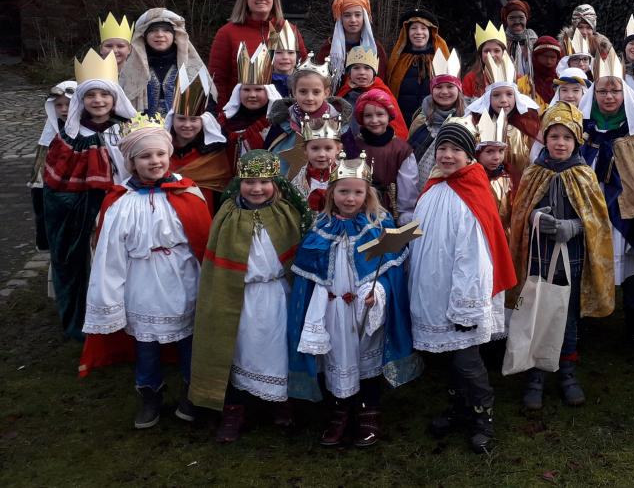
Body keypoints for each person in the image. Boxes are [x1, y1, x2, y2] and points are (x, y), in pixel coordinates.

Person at [83, 116, 212, 428]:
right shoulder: (120, 201)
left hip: (184, 278)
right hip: (142, 280)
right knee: (146, 344)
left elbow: (203, 241)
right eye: (145, 156)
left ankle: (193, 391)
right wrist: (110, 297)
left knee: (190, 339)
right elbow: (109, 256)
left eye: (160, 154)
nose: (154, 161)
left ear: (168, 155)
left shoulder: (189, 192)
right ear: (131, 162)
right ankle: (149, 393)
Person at [287, 151, 422, 447]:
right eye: (343, 192)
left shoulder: (377, 228)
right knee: (335, 358)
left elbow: (390, 274)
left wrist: (378, 293)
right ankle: (339, 412)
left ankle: (368, 412)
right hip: (332, 313)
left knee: (365, 362)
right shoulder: (319, 230)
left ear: (368, 194)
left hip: (365, 311)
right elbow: (310, 277)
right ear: (332, 193)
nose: (350, 198)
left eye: (357, 192)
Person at [408, 117, 516, 454]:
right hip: (435, 291)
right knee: (448, 361)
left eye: (456, 149)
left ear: (470, 155)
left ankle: (483, 418)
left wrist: (466, 306)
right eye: (442, 148)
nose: (447, 155)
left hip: (462, 297)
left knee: (468, 361)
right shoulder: (435, 186)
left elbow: (473, 257)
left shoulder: (471, 191)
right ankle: (459, 410)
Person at [189, 150, 310, 442]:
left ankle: (280, 401)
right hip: (239, 297)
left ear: (276, 183)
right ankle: (235, 408)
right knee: (238, 349)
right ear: (239, 183)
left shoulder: (286, 213)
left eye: (264, 182)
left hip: (279, 294)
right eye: (249, 182)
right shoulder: (228, 215)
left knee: (279, 347)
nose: (257, 188)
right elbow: (217, 263)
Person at [508, 102, 614, 409]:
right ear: (545, 139)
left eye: (567, 138)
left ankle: (566, 372)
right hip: (538, 259)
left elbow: (597, 220)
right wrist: (534, 219)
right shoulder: (533, 174)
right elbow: (520, 215)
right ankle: (536, 375)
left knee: (566, 318)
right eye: (554, 136)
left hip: (572, 259)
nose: (560, 143)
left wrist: (573, 226)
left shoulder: (584, 175)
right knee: (538, 313)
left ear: (576, 141)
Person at [43, 49, 137, 339]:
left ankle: (127, 322)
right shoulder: (69, 136)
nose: (98, 101)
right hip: (80, 213)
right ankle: (86, 323)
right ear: (81, 101)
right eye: (91, 95)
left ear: (115, 98)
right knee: (85, 264)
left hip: (121, 206)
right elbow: (55, 182)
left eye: (104, 95)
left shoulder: (127, 130)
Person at [579, 52, 634, 345]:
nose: (609, 96)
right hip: (592, 210)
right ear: (593, 93)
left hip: (624, 209)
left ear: (626, 93)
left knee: (629, 267)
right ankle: (582, 319)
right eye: (603, 90)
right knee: (587, 261)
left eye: (615, 90)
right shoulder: (582, 131)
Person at [209, 0, 308, 105]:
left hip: (286, 110)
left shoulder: (289, 29)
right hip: (242, 112)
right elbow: (218, 80)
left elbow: (305, 70)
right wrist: (222, 115)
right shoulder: (227, 33)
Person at [464, 45, 540, 189]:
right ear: (488, 98)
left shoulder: (526, 125)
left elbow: (535, 156)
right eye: (497, 95)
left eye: (509, 94)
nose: (504, 100)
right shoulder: (477, 123)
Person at [264, 57, 352, 179]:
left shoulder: (339, 125)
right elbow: (267, 155)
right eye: (303, 92)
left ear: (326, 93)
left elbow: (351, 160)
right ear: (294, 92)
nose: (309, 98)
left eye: (316, 92)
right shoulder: (283, 122)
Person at [344, 89, 418, 221]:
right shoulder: (353, 146)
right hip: (358, 207)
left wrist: (405, 215)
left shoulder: (401, 150)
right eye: (368, 116)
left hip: (388, 209)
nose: (374, 120)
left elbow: (408, 188)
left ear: (388, 116)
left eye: (380, 114)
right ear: (361, 118)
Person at [119, 8, 206, 116]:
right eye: (153, 30)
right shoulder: (131, 67)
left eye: (166, 30)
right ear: (145, 36)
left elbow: (205, 104)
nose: (160, 34)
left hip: (181, 130)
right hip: (142, 130)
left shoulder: (190, 66)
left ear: (174, 35)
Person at [168, 66, 231, 212]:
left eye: (194, 120)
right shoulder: (162, 151)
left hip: (203, 210)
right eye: (181, 119)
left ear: (203, 121)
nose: (187, 125)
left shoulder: (214, 154)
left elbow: (221, 190)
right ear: (172, 120)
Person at [408, 48, 467, 188]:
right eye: (439, 87)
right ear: (432, 89)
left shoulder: (468, 119)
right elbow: (410, 155)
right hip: (423, 184)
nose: (444, 92)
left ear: (458, 90)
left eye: (450, 87)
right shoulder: (421, 119)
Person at [217, 44, 282, 169]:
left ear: (269, 92)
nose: (252, 95)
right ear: (238, 92)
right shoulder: (223, 123)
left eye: (258, 89)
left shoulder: (276, 124)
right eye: (246, 89)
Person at [30, 79, 76, 252]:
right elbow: (40, 185)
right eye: (58, 105)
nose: (63, 109)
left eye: (68, 104)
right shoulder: (50, 134)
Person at [383, 8, 450, 125]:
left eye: (423, 28)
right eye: (413, 28)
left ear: (430, 32)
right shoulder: (399, 60)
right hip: (402, 121)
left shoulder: (439, 58)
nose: (418, 32)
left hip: (434, 122)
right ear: (407, 33)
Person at [317, 0, 386, 92]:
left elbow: (380, 83)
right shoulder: (328, 49)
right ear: (340, 19)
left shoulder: (376, 49)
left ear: (365, 17)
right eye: (347, 15)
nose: (353, 20)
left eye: (357, 15)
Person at [334, 46, 409, 140]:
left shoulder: (382, 93)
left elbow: (395, 125)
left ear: (374, 73)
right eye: (356, 68)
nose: (362, 72)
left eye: (367, 68)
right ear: (349, 73)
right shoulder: (344, 92)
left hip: (375, 143)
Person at [290, 113, 344, 211]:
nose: (321, 154)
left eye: (328, 148)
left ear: (338, 149)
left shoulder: (347, 176)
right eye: (315, 148)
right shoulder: (299, 181)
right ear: (305, 150)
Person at [475, 109, 514, 228]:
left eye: (501, 151)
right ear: (477, 153)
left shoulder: (509, 178)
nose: (496, 157)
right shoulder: (474, 180)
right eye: (489, 151)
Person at [462, 21, 509, 98]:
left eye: (496, 50)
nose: (492, 55)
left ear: (503, 53)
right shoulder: (470, 78)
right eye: (487, 51)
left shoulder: (516, 77)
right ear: (480, 54)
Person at [516, 35, 562, 108]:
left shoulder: (562, 84)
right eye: (545, 56)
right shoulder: (521, 84)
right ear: (535, 57)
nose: (549, 61)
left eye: (553, 57)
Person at [501, 0, 538, 77]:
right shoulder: (500, 43)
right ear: (506, 20)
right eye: (512, 18)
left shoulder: (535, 42)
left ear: (526, 19)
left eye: (521, 18)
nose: (517, 22)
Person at [267, 21, 301, 98]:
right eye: (278, 52)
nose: (285, 57)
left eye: (290, 52)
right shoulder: (265, 82)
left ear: (296, 56)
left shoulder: (304, 80)